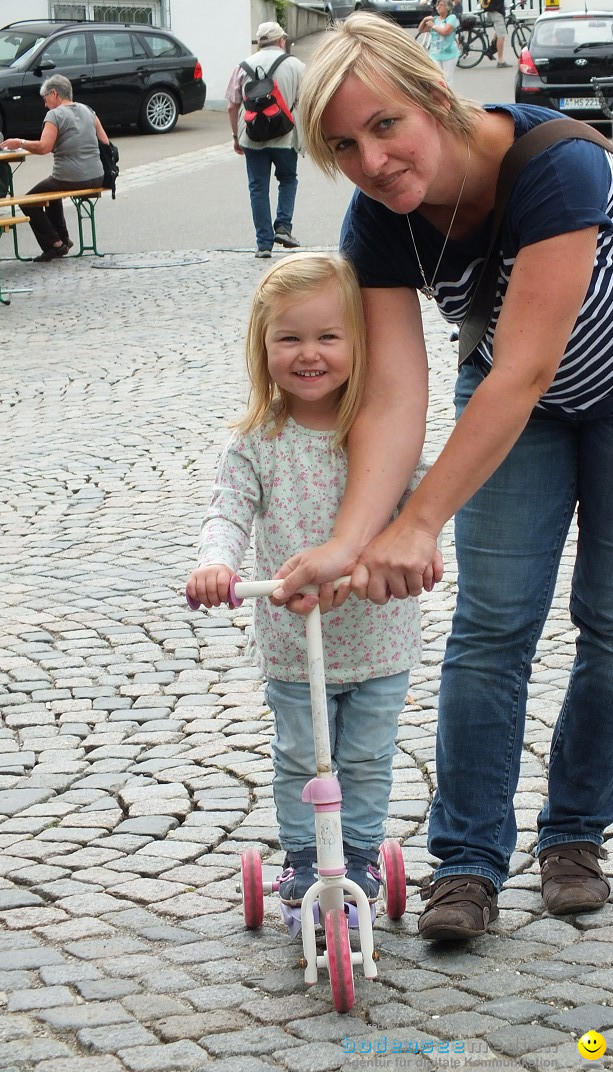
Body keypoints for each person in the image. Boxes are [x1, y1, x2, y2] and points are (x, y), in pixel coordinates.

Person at [270, 13, 613, 939]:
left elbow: (524, 367)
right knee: (490, 622)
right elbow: (395, 396)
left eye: (386, 125)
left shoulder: (558, 164)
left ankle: (573, 838)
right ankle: (467, 862)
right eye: (345, 147)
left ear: (438, 97)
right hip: (524, 393)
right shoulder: (378, 222)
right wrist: (354, 539)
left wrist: (421, 520)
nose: (372, 162)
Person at [186, 253, 424, 906]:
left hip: (378, 635)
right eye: (289, 338)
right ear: (262, 349)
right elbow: (228, 509)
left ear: (359, 342)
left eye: (328, 336)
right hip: (294, 642)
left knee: (369, 756)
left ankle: (360, 856)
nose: (308, 354)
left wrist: (421, 551)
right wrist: (217, 564)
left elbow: (414, 508)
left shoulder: (378, 431)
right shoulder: (257, 442)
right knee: (298, 754)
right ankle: (300, 859)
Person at [0, 75, 109, 262]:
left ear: (55, 93)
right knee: (51, 193)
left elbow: (44, 147)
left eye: (45, 98)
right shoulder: (89, 110)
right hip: (97, 176)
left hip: (70, 178)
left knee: (27, 202)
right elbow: (105, 142)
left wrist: (21, 142)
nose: (45, 104)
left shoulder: (55, 115)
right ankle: (63, 238)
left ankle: (55, 244)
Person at [225, 21, 305, 258]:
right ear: (281, 41)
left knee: (258, 188)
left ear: (259, 43)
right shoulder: (297, 66)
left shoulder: (243, 67)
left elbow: (232, 105)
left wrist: (235, 137)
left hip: (252, 136)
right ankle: (283, 227)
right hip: (285, 135)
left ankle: (263, 244)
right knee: (288, 179)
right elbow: (308, 101)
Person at [417, 0, 460, 87]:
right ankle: (440, 98)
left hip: (449, 53)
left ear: (447, 8)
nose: (438, 7)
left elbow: (445, 32)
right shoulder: (435, 19)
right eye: (437, 5)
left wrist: (433, 26)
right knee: (437, 77)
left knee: (447, 78)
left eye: (441, 5)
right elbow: (421, 30)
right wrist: (425, 20)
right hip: (435, 53)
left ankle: (449, 97)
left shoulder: (452, 18)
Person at [482, 0, 510, 67]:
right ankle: (500, 61)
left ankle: (490, 51)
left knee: (498, 33)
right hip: (497, 13)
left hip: (489, 12)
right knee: (501, 36)